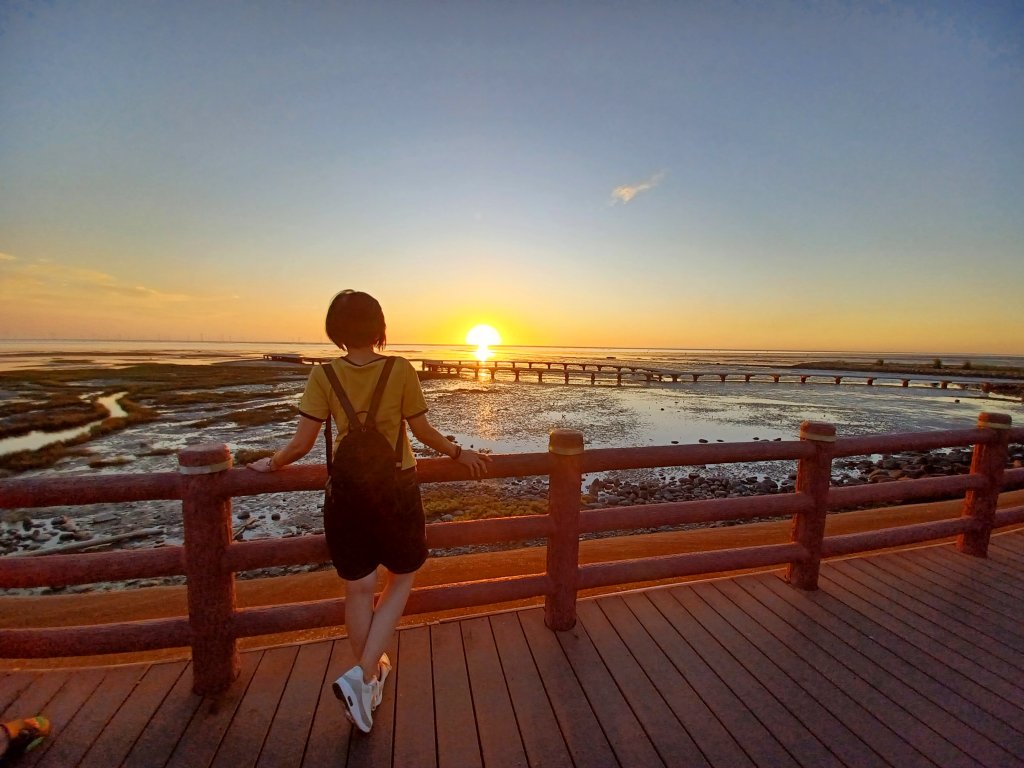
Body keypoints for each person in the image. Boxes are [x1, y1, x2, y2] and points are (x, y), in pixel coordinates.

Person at [248, 290, 490, 733]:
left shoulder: (323, 375)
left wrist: (271, 462)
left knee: (359, 590)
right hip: (396, 490)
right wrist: (459, 451)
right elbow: (421, 431)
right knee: (402, 578)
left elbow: (301, 444)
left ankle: (370, 679)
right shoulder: (400, 369)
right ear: (379, 327)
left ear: (335, 330)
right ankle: (364, 676)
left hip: (346, 496)